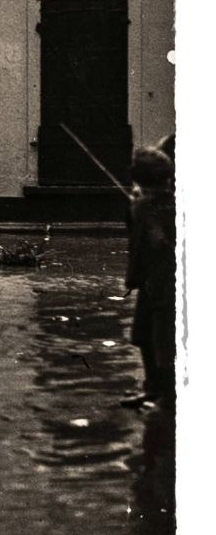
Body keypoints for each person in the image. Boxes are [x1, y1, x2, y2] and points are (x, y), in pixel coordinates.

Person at [122, 145, 175, 408]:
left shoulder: (151, 208)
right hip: (153, 284)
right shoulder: (153, 204)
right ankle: (155, 389)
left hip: (161, 286)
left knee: (161, 339)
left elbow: (150, 243)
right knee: (144, 334)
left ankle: (166, 395)